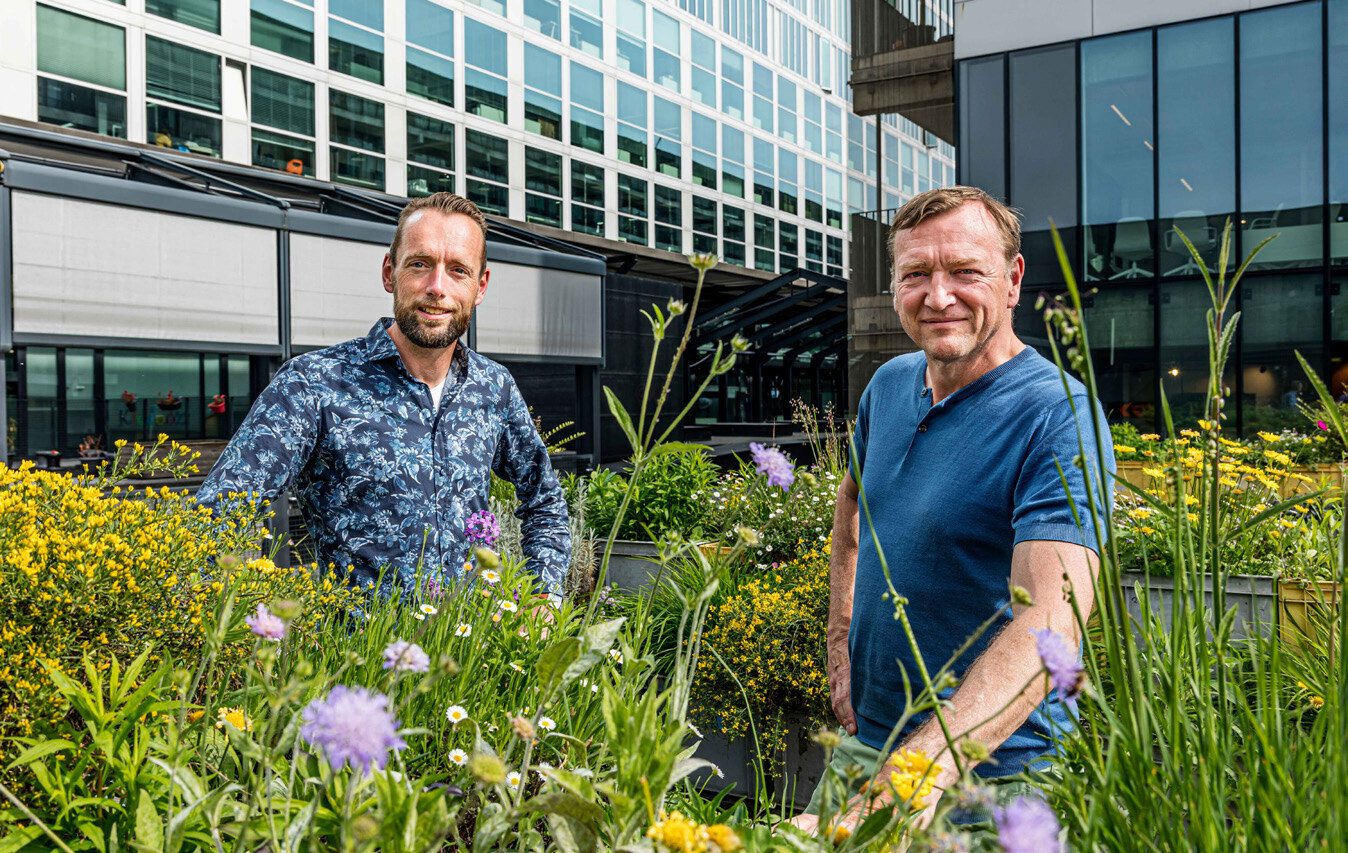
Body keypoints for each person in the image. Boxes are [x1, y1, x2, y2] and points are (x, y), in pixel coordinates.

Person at [794, 187, 1114, 832]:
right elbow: (851, 513)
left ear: (1013, 278)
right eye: (916, 275)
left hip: (992, 774)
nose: (938, 297)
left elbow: (1051, 621)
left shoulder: (1057, 414)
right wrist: (840, 644)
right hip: (869, 746)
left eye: (965, 271)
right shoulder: (887, 385)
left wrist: (918, 773)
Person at [197, 193, 570, 601]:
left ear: (480, 286)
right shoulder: (314, 384)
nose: (436, 288)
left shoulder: (493, 386)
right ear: (390, 272)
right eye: (420, 264)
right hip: (358, 660)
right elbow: (217, 514)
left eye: (458, 270)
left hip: (470, 652)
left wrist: (543, 599)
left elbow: (545, 500)